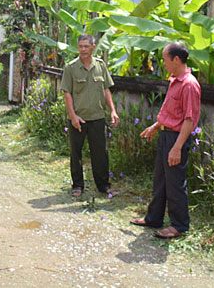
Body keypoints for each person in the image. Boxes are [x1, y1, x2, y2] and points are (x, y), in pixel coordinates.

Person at [130, 42, 201, 238]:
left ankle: (179, 225)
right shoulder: (174, 80)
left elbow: (189, 119)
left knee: (175, 182)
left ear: (176, 59)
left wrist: (177, 147)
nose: (163, 63)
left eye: (165, 59)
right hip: (165, 135)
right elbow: (171, 112)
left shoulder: (189, 85)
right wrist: (155, 127)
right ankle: (154, 218)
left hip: (176, 138)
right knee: (160, 179)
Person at [61, 34, 120, 198]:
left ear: (93, 47)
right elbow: (67, 93)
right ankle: (77, 185)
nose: (83, 50)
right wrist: (73, 116)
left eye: (86, 46)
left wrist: (113, 111)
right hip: (78, 119)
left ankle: (103, 186)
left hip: (97, 117)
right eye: (80, 46)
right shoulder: (71, 68)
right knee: (76, 153)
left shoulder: (100, 66)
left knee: (100, 153)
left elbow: (106, 90)